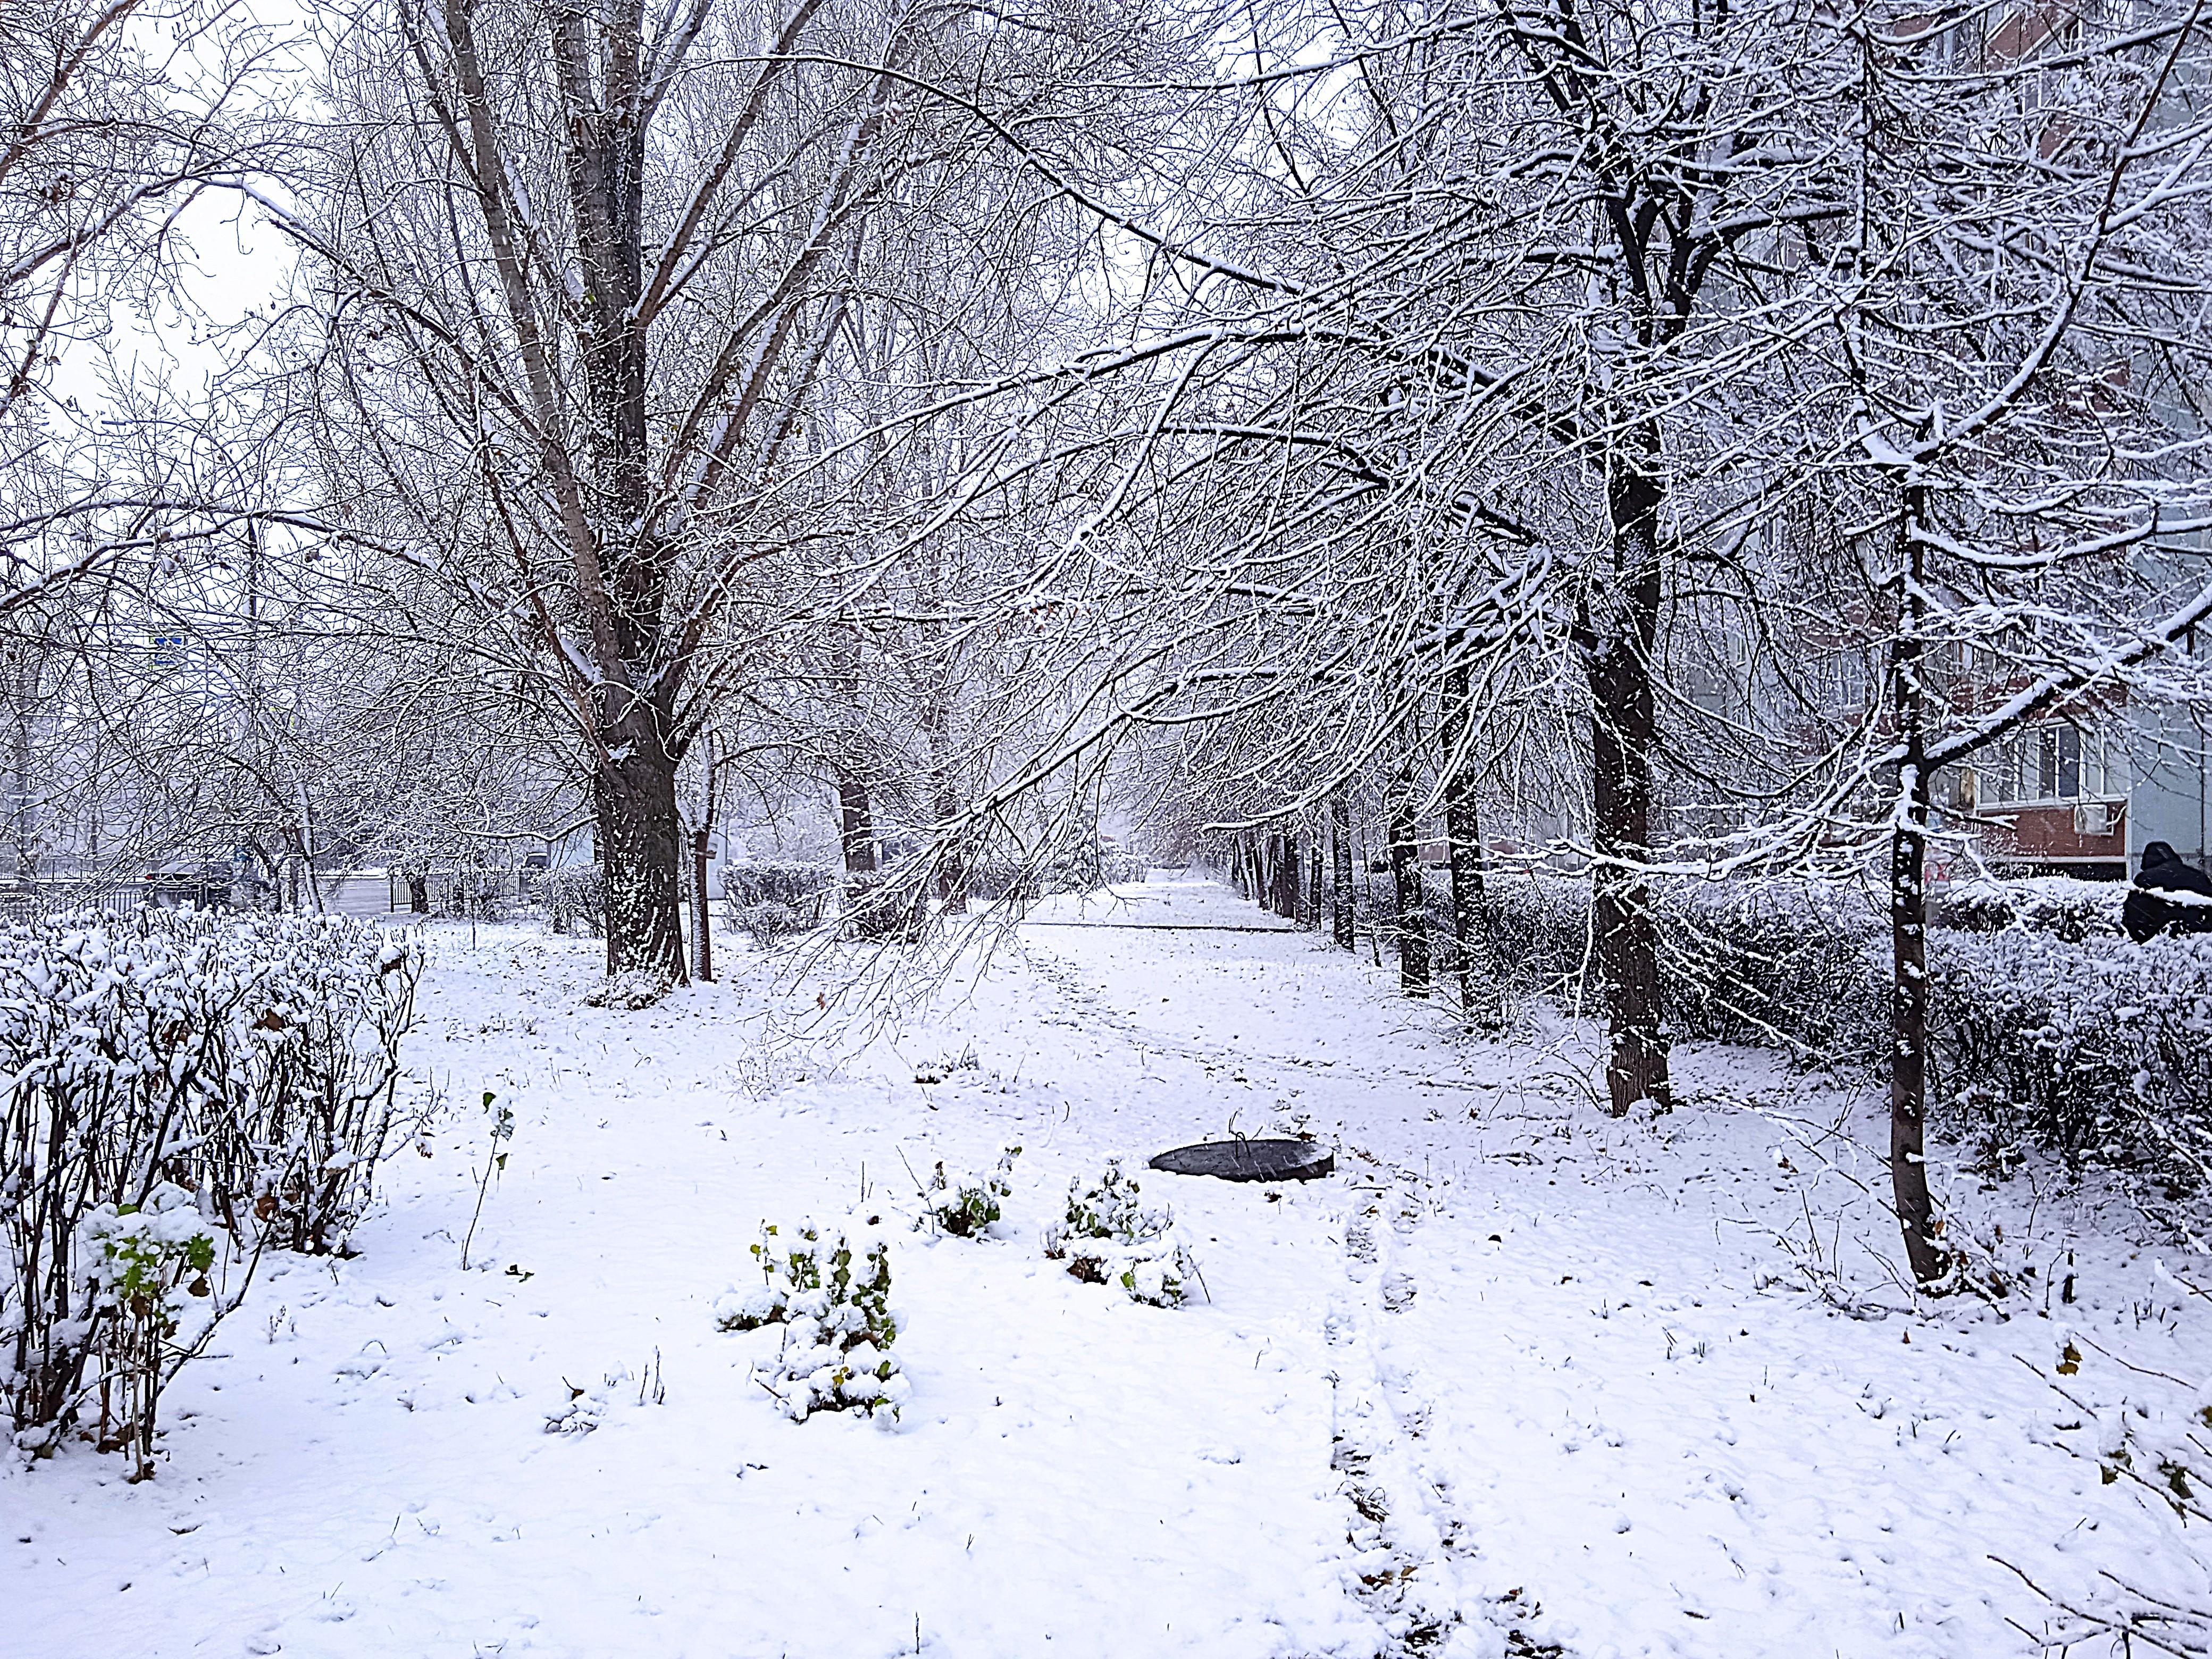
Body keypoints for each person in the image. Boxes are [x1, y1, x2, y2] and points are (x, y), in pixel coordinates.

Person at [2122, 841, 2212, 941]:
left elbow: (2133, 909)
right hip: (2198, 938)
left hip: (2156, 937)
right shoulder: (2198, 876)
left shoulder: (2144, 879)